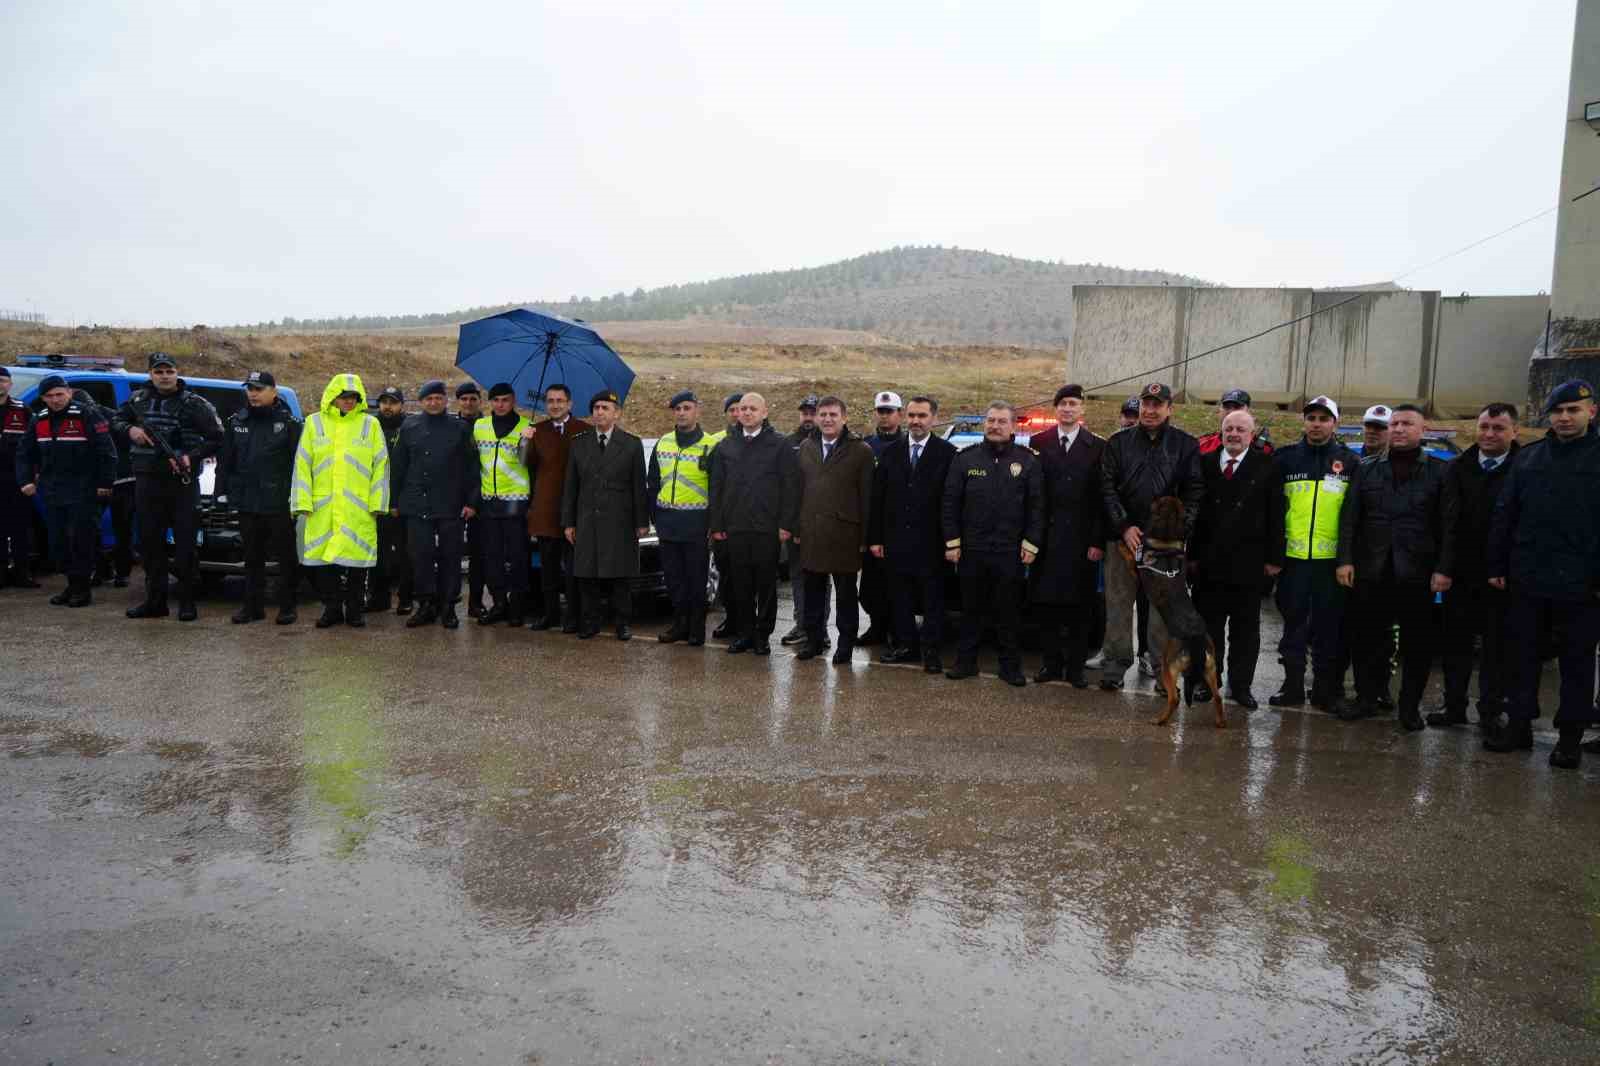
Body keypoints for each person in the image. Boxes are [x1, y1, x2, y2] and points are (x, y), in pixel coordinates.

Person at [1485, 380, 1600, 769]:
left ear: (1591, 412)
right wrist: (1498, 565)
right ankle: (1519, 726)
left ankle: (1569, 738)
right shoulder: (1530, 458)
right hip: (1528, 578)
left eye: (1573, 410)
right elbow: (1506, 514)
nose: (1565, 418)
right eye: (1558, 411)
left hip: (1582, 585)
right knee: (1521, 657)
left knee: (1576, 665)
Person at [1335, 404, 1456, 731]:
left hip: (1418, 573)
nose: (1399, 429)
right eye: (1395, 424)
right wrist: (1344, 560)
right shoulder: (1368, 468)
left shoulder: (1440, 472)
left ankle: (1408, 707)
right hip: (1372, 569)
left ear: (1423, 429)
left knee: (1417, 645)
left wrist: (1444, 569)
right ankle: (1366, 698)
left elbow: (1449, 525)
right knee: (1366, 639)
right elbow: (1350, 518)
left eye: (1407, 424)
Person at [1096, 382, 1203, 691]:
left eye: (1157, 404)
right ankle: (1115, 665)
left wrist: (1178, 531)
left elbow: (1194, 491)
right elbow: (1106, 487)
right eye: (1146, 403)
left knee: (1162, 609)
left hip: (1165, 546)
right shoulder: (1117, 443)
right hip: (1123, 540)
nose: (1150, 410)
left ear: (1169, 408)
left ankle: (1162, 670)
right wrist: (1124, 526)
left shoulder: (1185, 445)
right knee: (1117, 604)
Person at [112, 352, 225, 621]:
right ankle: (155, 602)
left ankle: (187, 603)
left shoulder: (195, 404)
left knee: (186, 546)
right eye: (159, 371)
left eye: (169, 371)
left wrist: (190, 456)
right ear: (150, 374)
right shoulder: (138, 400)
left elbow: (217, 437)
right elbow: (116, 421)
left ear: (177, 373)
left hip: (181, 483)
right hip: (147, 482)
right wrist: (131, 431)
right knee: (151, 546)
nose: (164, 376)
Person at [1187, 408, 1284, 708]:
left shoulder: (1267, 466)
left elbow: (1277, 515)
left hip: (1249, 564)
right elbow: (1193, 515)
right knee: (1208, 630)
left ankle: (1241, 687)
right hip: (1208, 564)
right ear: (1221, 432)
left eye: (1241, 429)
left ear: (1251, 435)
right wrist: (1190, 556)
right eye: (1229, 428)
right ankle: (1207, 682)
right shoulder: (1203, 464)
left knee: (1245, 632)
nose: (1234, 434)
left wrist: (1274, 558)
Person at [942, 402, 1043, 686]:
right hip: (972, 549)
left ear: (1012, 427)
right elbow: (950, 503)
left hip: (1010, 551)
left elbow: (1037, 507)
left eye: (1001, 421)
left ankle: (1009, 667)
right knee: (970, 610)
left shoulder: (1027, 460)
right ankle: (965, 662)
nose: (994, 426)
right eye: (990, 421)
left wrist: (1031, 543)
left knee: (1007, 612)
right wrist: (952, 543)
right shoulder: (965, 459)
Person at [1271, 396, 1359, 710]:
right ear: (1304, 422)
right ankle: (1292, 687)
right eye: (1312, 418)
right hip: (1293, 563)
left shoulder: (1349, 462)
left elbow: (1352, 516)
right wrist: (1274, 555)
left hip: (1330, 565)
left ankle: (1324, 691)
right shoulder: (1285, 459)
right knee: (1293, 628)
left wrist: (1346, 560)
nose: (1317, 424)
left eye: (1324, 418)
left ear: (1335, 423)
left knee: (1327, 630)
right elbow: (1273, 510)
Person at [1433, 402, 1518, 729]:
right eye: (1484, 427)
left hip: (1503, 577)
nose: (1489, 434)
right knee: (1456, 646)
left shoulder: (1523, 468)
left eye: (1498, 428)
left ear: (1514, 431)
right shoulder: (1457, 467)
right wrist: (1443, 568)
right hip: (1460, 575)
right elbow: (1446, 523)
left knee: (1497, 650)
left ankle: (1490, 712)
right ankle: (1454, 707)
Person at [291, 373, 391, 628]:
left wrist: (378, 502)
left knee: (357, 563)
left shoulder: (370, 425)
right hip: (322, 507)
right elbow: (302, 464)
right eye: (344, 397)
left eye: (354, 397)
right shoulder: (314, 423)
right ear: (333, 397)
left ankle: (355, 610)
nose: (349, 401)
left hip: (358, 508)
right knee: (325, 563)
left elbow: (381, 464)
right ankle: (332, 608)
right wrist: (302, 501)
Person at [869, 395, 957, 673]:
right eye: (912, 416)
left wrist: (952, 541)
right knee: (900, 597)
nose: (916, 421)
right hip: (896, 542)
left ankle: (931, 650)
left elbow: (951, 501)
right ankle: (906, 645)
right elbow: (878, 498)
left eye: (922, 416)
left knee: (933, 600)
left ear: (933, 418)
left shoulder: (947, 453)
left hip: (932, 543)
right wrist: (876, 538)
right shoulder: (891, 453)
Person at [1027, 385, 1106, 687]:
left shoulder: (1097, 446)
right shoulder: (1038, 442)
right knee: (1047, 606)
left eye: (1073, 404)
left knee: (1079, 609)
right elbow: (1032, 495)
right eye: (1062, 404)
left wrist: (1097, 541)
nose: (1068, 409)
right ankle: (1050, 664)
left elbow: (1101, 500)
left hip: (1081, 543)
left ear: (1081, 410)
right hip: (1045, 539)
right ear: (1055, 409)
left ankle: (1075, 669)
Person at [708, 392, 797, 655]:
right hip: (735, 527)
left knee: (766, 585)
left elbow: (790, 487)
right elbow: (717, 487)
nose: (746, 413)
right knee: (740, 584)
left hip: (766, 529)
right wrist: (717, 524)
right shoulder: (726, 446)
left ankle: (762, 635)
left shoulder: (779, 445)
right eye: (743, 408)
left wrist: (786, 524)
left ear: (764, 412)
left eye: (752, 409)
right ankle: (745, 633)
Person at [14, 375, 116, 606]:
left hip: (84, 490)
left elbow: (106, 452)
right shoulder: (38, 420)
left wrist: (105, 483)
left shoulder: (87, 414)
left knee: (81, 540)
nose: (56, 399)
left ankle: (82, 590)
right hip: (52, 491)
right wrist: (25, 480)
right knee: (59, 543)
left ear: (69, 393)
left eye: (60, 394)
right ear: (43, 398)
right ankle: (71, 586)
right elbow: (24, 453)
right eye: (50, 396)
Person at [391, 379, 479, 630]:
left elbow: (472, 468)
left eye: (438, 398)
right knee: (421, 557)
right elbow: (398, 467)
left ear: (445, 400)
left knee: (451, 557)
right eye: (428, 399)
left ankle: (448, 607)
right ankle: (425, 605)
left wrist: (472, 502)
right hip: (417, 503)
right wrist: (394, 501)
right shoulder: (409, 426)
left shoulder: (460, 428)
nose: (434, 402)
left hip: (450, 504)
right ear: (421, 402)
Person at [792, 396, 875, 665]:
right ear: (816, 418)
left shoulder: (861, 450)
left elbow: (867, 498)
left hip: (845, 536)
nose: (827, 419)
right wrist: (796, 527)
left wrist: (865, 539)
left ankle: (845, 646)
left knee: (846, 597)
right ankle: (814, 641)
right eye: (823, 414)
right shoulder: (806, 447)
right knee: (813, 595)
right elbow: (798, 491)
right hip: (812, 532)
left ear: (844, 418)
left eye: (833, 415)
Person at [561, 390, 648, 640]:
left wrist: (641, 521)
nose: (600, 412)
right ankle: (590, 622)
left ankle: (622, 622)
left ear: (617, 413)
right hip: (587, 518)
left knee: (620, 576)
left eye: (605, 408)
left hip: (619, 519)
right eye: (596, 407)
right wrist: (568, 522)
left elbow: (638, 487)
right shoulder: (579, 442)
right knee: (587, 575)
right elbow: (571, 486)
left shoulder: (631, 444)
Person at [217, 371, 302, 625]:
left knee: (286, 558)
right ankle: (252, 607)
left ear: (273, 391)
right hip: (248, 501)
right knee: (252, 557)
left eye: (259, 389)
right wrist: (220, 493)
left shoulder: (290, 423)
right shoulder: (236, 422)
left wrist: (297, 499)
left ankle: (287, 607)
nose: (253, 393)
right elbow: (226, 461)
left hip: (279, 502)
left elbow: (300, 465)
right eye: (250, 389)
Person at [647, 390, 722, 645]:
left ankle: (696, 630)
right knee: (674, 580)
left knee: (696, 580)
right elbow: (653, 482)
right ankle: (679, 625)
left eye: (686, 408)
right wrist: (655, 515)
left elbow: (717, 487)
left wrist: (712, 525)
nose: (681, 413)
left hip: (696, 525)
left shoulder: (710, 445)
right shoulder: (663, 442)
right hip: (668, 524)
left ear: (697, 410)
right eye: (677, 409)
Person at [520, 384, 590, 632]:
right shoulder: (536, 430)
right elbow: (525, 464)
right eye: (550, 401)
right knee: (548, 570)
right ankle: (549, 615)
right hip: (546, 510)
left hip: (574, 512)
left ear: (570, 404)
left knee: (573, 571)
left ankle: (574, 617)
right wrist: (524, 442)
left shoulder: (584, 430)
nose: (555, 405)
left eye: (560, 400)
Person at [474, 382, 532, 626]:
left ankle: (517, 606)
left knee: (518, 557)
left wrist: (527, 441)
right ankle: (499, 603)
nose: (500, 405)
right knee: (493, 557)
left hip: (516, 503)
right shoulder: (480, 426)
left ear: (513, 401)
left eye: (505, 400)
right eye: (496, 400)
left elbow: (527, 462)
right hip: (489, 502)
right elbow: (473, 463)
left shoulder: (526, 427)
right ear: (490, 402)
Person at [857, 390, 905, 647]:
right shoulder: (865, 446)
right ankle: (876, 628)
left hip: (897, 526)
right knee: (870, 587)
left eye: (890, 412)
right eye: (881, 412)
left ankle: (898, 632)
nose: (885, 417)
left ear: (900, 414)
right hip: (869, 525)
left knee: (896, 585)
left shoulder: (908, 444)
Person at [781, 394, 827, 647]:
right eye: (805, 413)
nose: (809, 418)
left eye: (814, 412)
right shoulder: (788, 444)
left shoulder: (833, 442)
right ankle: (801, 625)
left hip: (824, 524)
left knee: (822, 579)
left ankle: (822, 629)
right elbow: (786, 488)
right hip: (797, 524)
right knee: (798, 577)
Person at [368, 387, 412, 615]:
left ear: (401, 405)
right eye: (383, 402)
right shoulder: (370, 427)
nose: (387, 406)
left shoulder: (410, 428)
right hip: (375, 502)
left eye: (393, 402)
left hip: (402, 503)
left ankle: (405, 599)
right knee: (377, 552)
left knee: (404, 554)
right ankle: (378, 597)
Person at [709, 391, 745, 641]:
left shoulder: (760, 440)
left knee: (749, 578)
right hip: (723, 521)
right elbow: (713, 483)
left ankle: (747, 623)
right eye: (731, 409)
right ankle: (731, 619)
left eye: (740, 409)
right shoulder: (716, 442)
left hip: (749, 522)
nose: (736, 414)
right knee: (728, 577)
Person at [0, 366, 39, 589]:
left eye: (3, 380)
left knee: (20, 529)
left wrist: (33, 476)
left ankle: (23, 575)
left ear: (10, 384)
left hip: (18, 480)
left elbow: (35, 445)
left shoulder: (23, 410)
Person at [454, 381, 486, 616]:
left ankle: (475, 602)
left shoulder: (487, 426)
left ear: (479, 401)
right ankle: (447, 600)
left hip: (482, 500)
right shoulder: (449, 425)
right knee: (450, 554)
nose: (468, 403)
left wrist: (474, 501)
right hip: (452, 498)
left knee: (478, 555)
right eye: (464, 399)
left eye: (472, 399)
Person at [1197, 388, 1274, 456]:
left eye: (1237, 407)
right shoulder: (1202, 445)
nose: (1231, 411)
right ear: (1219, 411)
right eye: (1227, 407)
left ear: (1248, 412)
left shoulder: (1264, 450)